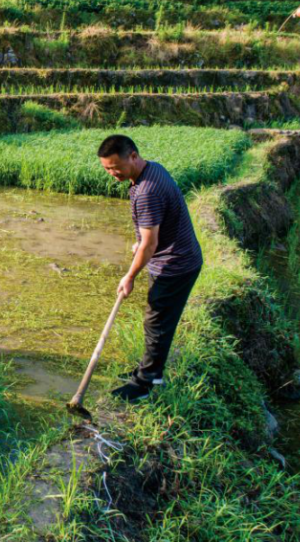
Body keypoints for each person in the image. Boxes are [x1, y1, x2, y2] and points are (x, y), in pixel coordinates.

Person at [98, 134, 203, 402]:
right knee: (157, 318)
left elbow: (150, 243)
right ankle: (149, 369)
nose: (112, 174)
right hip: (176, 256)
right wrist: (141, 242)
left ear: (133, 156)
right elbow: (155, 227)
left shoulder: (147, 191)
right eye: (107, 169)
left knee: (157, 321)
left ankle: (145, 383)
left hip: (175, 264)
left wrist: (130, 276)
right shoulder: (152, 169)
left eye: (115, 167)